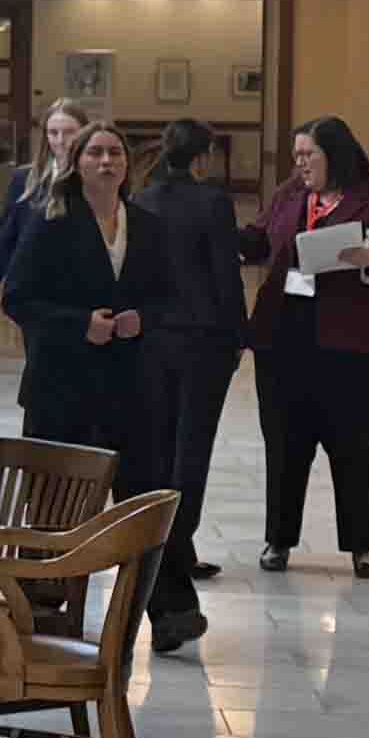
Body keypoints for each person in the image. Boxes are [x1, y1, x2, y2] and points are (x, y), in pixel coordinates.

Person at [8, 119, 184, 640]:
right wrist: (80, 324)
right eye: (96, 153)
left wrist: (143, 320)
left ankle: (167, 612)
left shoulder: (148, 226)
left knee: (143, 501)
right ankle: (42, 607)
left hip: (132, 389)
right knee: (57, 504)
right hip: (63, 387)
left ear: (127, 166)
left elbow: (172, 298)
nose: (107, 162)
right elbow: (17, 299)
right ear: (77, 164)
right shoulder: (51, 221)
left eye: (115, 154)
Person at [248, 113, 369, 576]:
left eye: (308, 154)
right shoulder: (289, 195)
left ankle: (361, 546)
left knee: (353, 445)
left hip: (353, 341)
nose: (300, 164)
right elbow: (261, 239)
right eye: (297, 156)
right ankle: (278, 540)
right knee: (285, 445)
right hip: (284, 337)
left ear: (336, 154)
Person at [135, 116, 254, 586]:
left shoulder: (142, 198)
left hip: (154, 335)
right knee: (193, 445)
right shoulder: (212, 201)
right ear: (204, 157)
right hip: (204, 337)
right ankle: (180, 545)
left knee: (160, 442)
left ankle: (158, 544)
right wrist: (240, 334)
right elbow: (225, 274)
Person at [0, 96, 88, 322]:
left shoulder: (95, 178)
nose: (61, 141)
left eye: (69, 132)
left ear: (84, 133)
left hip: (81, 292)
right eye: (53, 133)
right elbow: (5, 240)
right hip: (33, 292)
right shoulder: (25, 179)